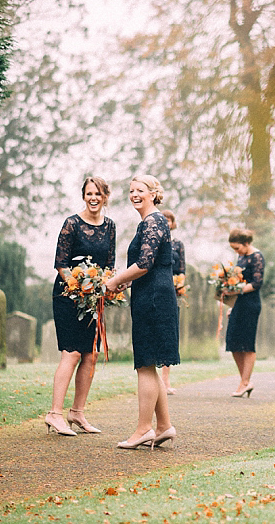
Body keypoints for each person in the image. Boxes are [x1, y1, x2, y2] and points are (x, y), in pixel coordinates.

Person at [104, 175, 179, 449]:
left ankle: (143, 429)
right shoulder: (150, 222)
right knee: (150, 364)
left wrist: (114, 281)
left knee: (145, 364)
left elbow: (145, 263)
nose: (134, 194)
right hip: (152, 294)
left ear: (153, 193)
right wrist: (123, 279)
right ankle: (164, 426)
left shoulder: (153, 221)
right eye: (131, 190)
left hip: (154, 298)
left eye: (140, 190)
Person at [45, 177, 116, 436]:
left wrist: (104, 287)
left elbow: (109, 264)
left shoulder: (110, 226)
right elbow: (61, 263)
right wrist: (77, 286)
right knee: (72, 353)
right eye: (89, 193)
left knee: (91, 354)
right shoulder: (72, 224)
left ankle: (77, 413)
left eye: (98, 193)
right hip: (67, 294)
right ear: (83, 196)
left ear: (105, 196)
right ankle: (54, 413)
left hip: (93, 298)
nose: (93, 198)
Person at [223, 228, 265, 398]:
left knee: (247, 344)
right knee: (233, 342)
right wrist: (232, 304)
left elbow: (257, 283)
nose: (236, 251)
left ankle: (244, 383)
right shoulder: (242, 256)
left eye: (237, 248)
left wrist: (235, 292)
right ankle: (245, 381)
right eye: (234, 249)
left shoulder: (257, 257)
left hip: (251, 304)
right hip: (238, 305)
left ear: (247, 243)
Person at [160, 209, 185, 395]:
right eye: (164, 220)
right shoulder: (155, 240)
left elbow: (181, 269)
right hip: (158, 288)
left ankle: (166, 381)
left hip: (173, 292)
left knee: (169, 335)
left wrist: (180, 284)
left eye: (170, 220)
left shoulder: (178, 244)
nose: (167, 223)